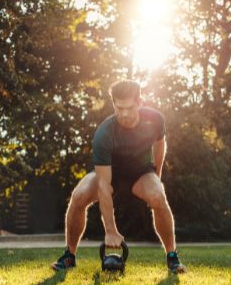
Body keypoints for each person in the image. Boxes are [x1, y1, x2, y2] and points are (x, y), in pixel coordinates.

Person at [50, 80, 186, 274]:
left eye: (129, 107)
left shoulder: (155, 119)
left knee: (158, 195)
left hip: (140, 173)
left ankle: (172, 256)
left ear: (139, 102)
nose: (124, 114)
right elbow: (104, 185)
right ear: (113, 104)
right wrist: (111, 231)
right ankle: (69, 256)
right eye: (119, 108)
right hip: (110, 174)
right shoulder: (104, 134)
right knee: (79, 195)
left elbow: (160, 144)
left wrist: (157, 175)